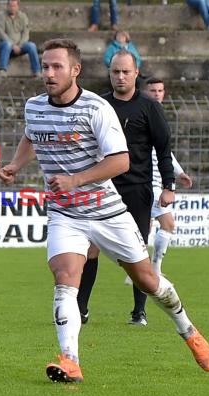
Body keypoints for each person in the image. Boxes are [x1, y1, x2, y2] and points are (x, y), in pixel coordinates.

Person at [0, 38, 209, 383]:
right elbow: (32, 136)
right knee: (65, 277)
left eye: (57, 67)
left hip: (108, 212)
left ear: (75, 70)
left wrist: (76, 179)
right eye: (45, 66)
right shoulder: (34, 106)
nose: (49, 74)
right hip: (65, 214)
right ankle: (70, 360)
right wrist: (14, 165)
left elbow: (121, 160)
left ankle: (187, 328)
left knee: (147, 280)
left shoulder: (97, 108)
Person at [76, 50, 177, 327]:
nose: (120, 77)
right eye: (115, 72)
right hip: (101, 186)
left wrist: (168, 186)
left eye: (125, 72)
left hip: (137, 189)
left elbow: (163, 147)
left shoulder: (149, 106)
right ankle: (80, 310)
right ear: (109, 73)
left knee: (137, 251)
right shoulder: (98, 104)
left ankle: (138, 312)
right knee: (90, 248)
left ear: (136, 73)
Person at [143, 77, 193, 277]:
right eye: (152, 90)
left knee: (147, 227)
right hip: (144, 180)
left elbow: (165, 152)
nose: (156, 94)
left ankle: (142, 270)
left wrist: (179, 172)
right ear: (145, 92)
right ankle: (150, 269)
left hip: (155, 181)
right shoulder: (144, 113)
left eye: (160, 90)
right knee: (164, 224)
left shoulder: (159, 116)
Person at [0, 0, 41, 79]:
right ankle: (2, 71)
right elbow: (1, 33)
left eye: (14, 6)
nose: (12, 8)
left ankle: (37, 72)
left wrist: (20, 45)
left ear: (18, 6)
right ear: (7, 6)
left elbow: (26, 33)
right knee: (7, 45)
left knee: (31, 46)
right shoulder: (1, 16)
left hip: (20, 45)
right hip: (5, 45)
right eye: (10, 6)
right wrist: (13, 45)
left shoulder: (23, 16)